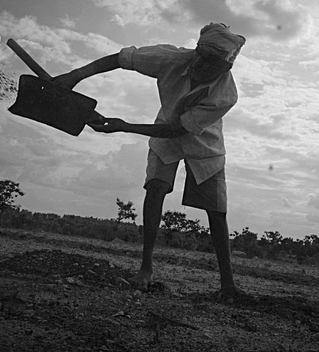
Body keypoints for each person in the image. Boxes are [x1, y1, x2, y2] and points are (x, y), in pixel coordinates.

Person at [53, 23, 246, 300]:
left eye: (211, 63)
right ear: (196, 50)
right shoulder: (170, 58)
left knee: (216, 212)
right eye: (200, 56)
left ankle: (228, 286)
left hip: (204, 141)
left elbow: (178, 130)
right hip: (164, 129)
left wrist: (125, 126)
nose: (201, 65)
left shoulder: (225, 95)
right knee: (155, 189)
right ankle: (146, 267)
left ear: (226, 68)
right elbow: (121, 59)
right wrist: (75, 76)